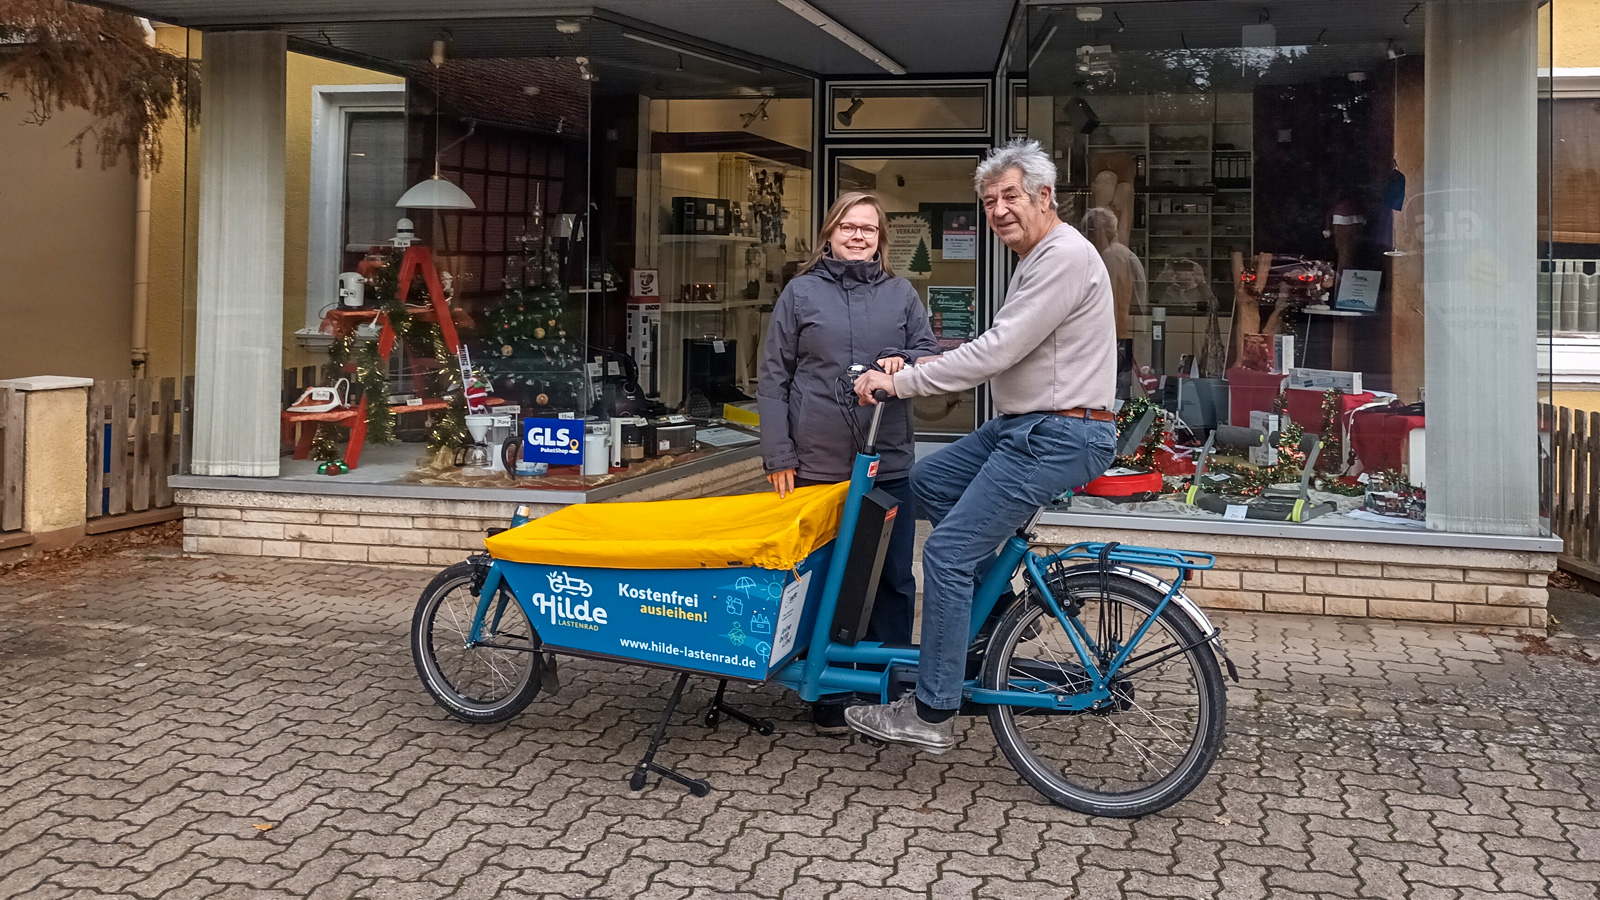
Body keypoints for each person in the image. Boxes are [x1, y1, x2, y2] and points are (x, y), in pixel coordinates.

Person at [845, 139, 1119, 753]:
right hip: (1024, 426)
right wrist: (921, 356)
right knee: (922, 486)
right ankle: (988, 619)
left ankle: (932, 709)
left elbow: (998, 351)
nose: (998, 210)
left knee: (945, 554)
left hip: (1055, 433)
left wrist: (900, 382)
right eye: (989, 200)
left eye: (1011, 196)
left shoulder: (1063, 255)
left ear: (1045, 198)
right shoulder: (1039, 258)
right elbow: (1000, 341)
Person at [758, 191, 941, 734]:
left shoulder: (902, 293)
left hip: (888, 462)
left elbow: (929, 352)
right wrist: (779, 453)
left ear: (881, 239)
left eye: (869, 229)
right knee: (825, 578)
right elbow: (773, 377)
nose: (859, 236)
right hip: (818, 462)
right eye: (848, 227)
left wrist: (904, 359)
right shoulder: (800, 293)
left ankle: (891, 686)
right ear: (829, 234)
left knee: (891, 577)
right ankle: (829, 690)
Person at [1081, 207, 1148, 398]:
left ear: (1099, 231)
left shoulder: (1111, 256)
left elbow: (1109, 302)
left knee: (1115, 396)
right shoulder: (1124, 254)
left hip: (1114, 336)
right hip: (1122, 334)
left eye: (1088, 233)